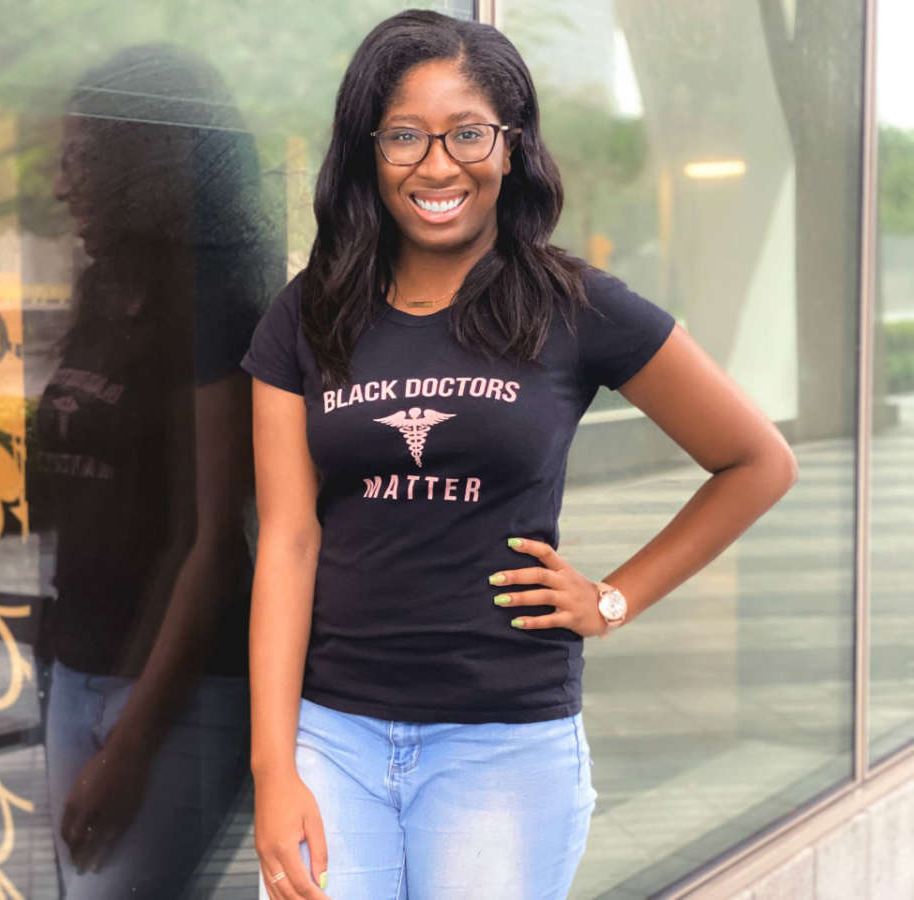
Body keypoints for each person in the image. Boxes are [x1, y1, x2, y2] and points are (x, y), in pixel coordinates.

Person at [241, 10, 798, 900]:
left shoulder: (574, 305)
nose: (437, 165)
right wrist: (274, 771)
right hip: (333, 734)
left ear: (511, 145)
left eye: (468, 133)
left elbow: (757, 460)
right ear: (367, 151)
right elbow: (288, 542)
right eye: (404, 137)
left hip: (501, 743)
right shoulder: (305, 316)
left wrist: (612, 599)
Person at [32, 43, 281, 898]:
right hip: (77, 669)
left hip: (177, 695)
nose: (63, 185)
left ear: (142, 164)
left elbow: (211, 540)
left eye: (83, 157)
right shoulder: (104, 295)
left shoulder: (214, 309)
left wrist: (131, 746)